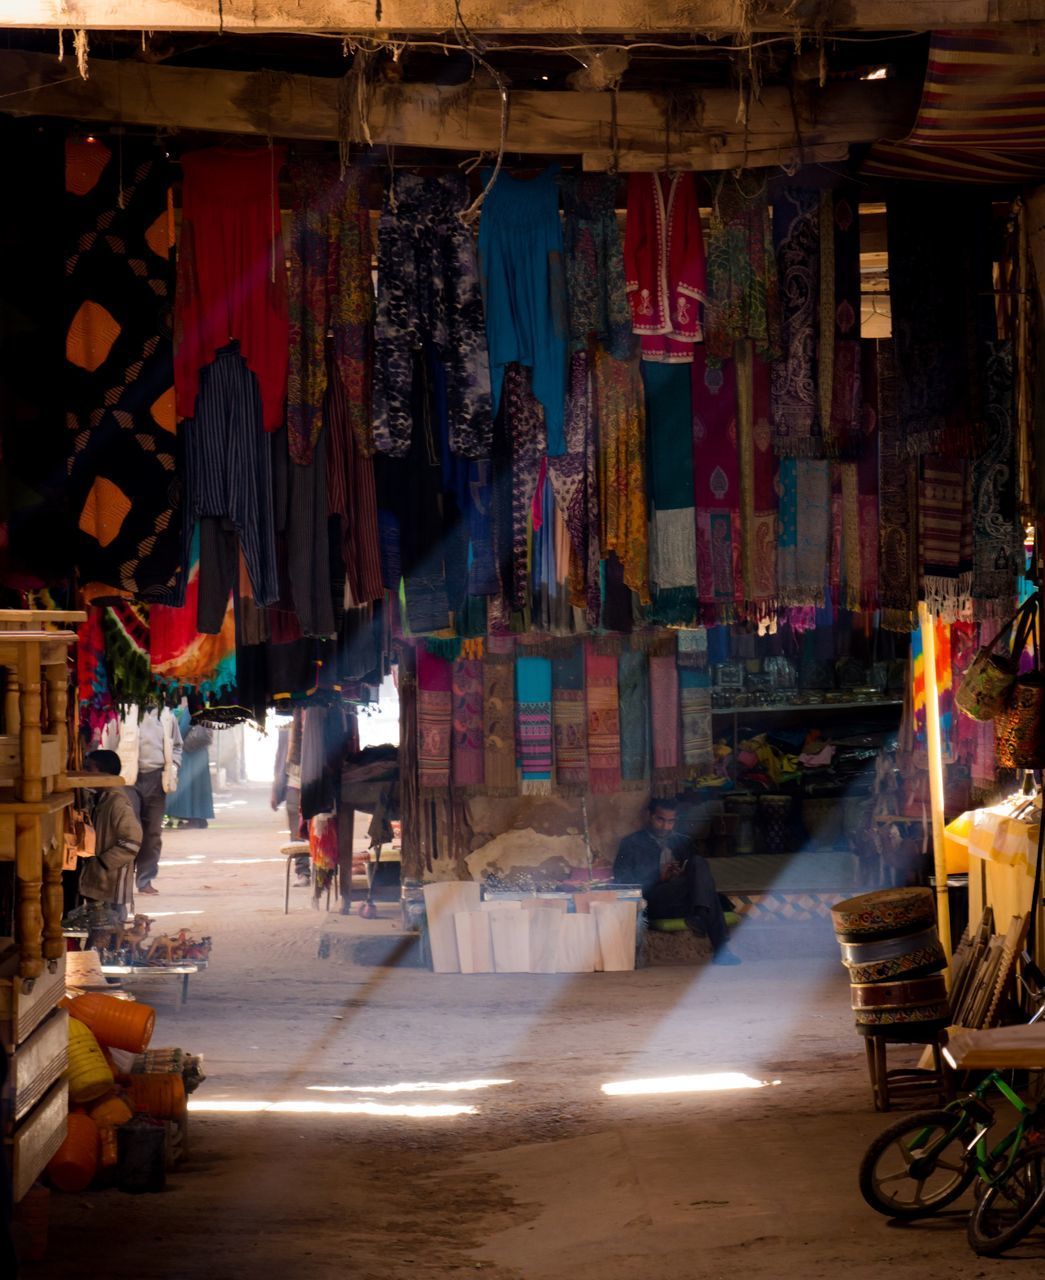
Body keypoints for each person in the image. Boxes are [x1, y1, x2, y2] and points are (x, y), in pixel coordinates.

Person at [614, 797, 741, 965]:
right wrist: (660, 878)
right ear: (649, 815)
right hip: (654, 902)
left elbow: (697, 876)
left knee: (698, 862)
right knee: (708, 895)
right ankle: (717, 943)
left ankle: (701, 912)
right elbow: (622, 882)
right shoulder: (631, 843)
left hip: (685, 899)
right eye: (660, 819)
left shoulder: (682, 842)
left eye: (670, 821)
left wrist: (681, 875)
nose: (665, 826)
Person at [116, 703, 182, 896]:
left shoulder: (167, 715)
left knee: (152, 833)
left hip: (157, 778)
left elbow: (177, 745)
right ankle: (125, 877)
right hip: (129, 779)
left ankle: (145, 879)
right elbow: (111, 741)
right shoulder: (124, 711)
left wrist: (175, 765)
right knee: (130, 830)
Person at [78, 749, 143, 916]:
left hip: (111, 882)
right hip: (102, 880)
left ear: (104, 773)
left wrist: (102, 862)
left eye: (89, 769)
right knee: (101, 931)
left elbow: (132, 842)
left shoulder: (117, 802)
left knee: (110, 930)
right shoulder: (100, 798)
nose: (84, 773)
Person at [272, 714, 308, 887]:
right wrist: (276, 790)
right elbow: (280, 758)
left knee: (319, 828)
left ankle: (322, 869)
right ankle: (302, 871)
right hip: (294, 783)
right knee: (297, 833)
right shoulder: (286, 725)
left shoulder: (323, 715)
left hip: (316, 783)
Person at [165, 704, 214, 829]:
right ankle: (201, 818)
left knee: (188, 787)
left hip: (189, 753)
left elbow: (182, 730)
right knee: (200, 788)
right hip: (201, 753)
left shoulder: (190, 709)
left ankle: (191, 818)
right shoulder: (204, 707)